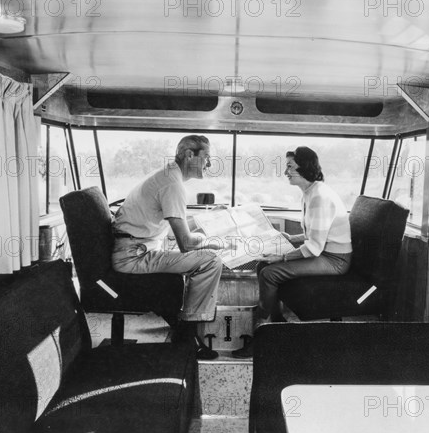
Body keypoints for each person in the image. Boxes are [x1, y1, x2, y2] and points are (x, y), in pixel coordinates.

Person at [111, 135, 228, 360]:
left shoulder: (168, 175)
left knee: (205, 254)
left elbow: (179, 224)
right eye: (206, 158)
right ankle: (187, 334)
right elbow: (185, 243)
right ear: (189, 155)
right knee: (211, 260)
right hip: (133, 257)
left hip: (136, 249)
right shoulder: (172, 184)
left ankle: (185, 326)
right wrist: (213, 241)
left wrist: (210, 223)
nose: (210, 164)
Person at [232, 146, 353, 358]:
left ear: (304, 168)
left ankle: (262, 332)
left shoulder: (319, 197)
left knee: (270, 272)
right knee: (262, 265)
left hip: (335, 260)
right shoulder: (310, 192)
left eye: (290, 167)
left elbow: (315, 247)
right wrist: (289, 239)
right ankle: (277, 322)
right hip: (324, 252)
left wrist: (281, 256)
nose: (285, 172)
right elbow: (313, 236)